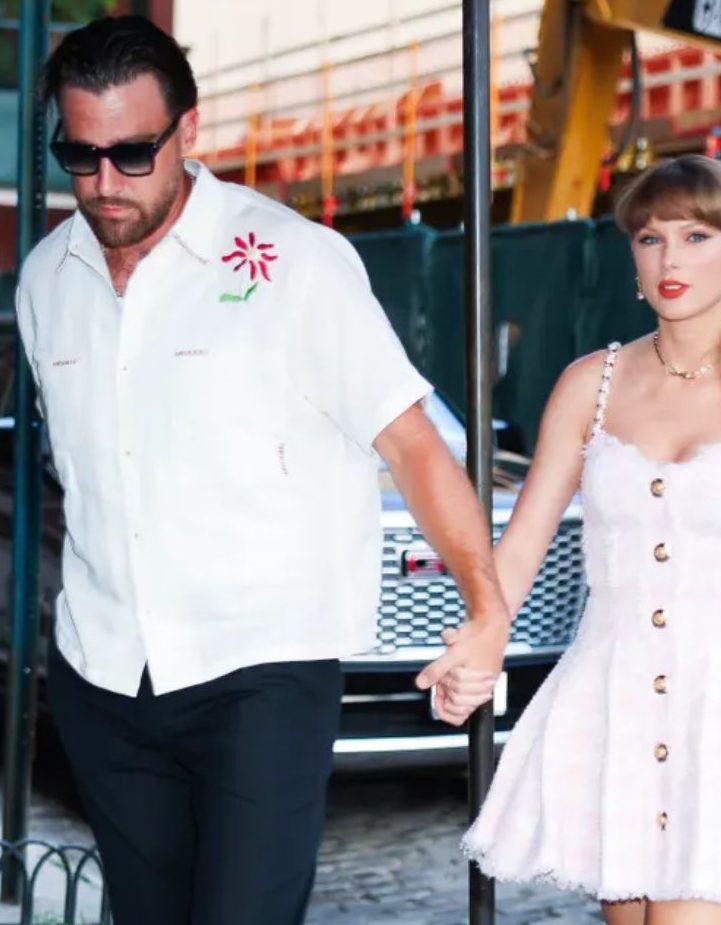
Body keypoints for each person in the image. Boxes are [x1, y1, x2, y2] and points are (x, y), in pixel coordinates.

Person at [18, 16, 503, 925]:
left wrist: (485, 608)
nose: (105, 182)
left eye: (131, 152)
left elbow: (411, 442)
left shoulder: (294, 262)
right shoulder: (46, 278)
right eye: (78, 156)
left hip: (260, 671)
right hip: (106, 672)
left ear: (187, 132)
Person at [460, 155, 721, 925]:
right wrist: (480, 639)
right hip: (613, 697)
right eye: (650, 239)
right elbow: (520, 547)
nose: (670, 258)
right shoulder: (590, 384)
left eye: (694, 235)